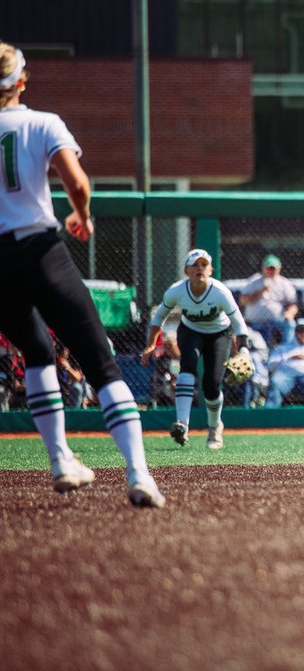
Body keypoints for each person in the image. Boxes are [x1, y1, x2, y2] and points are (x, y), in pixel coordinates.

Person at [0, 41, 163, 506]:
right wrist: (83, 215)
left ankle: (60, 460)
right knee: (99, 360)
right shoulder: (42, 122)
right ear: (22, 80)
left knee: (36, 351)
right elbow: (76, 181)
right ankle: (138, 474)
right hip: (38, 248)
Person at [141, 248, 249, 450]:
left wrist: (244, 351)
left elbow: (239, 324)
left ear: (211, 270)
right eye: (195, 265)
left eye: (204, 264)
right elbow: (159, 317)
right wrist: (150, 345)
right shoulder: (176, 291)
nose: (200, 268)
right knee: (187, 369)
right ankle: (182, 425)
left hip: (219, 334)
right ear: (186, 271)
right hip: (191, 331)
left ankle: (214, 427)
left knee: (211, 385)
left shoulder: (220, 292)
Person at [239, 254, 298, 347]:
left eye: (273, 268)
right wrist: (260, 292)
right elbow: (243, 301)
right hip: (255, 323)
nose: (270, 271)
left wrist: (289, 314)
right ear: (263, 268)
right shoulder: (254, 281)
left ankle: (286, 350)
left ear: (279, 269)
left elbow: (293, 305)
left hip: (276, 321)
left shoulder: (284, 283)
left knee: (290, 324)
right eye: (268, 268)